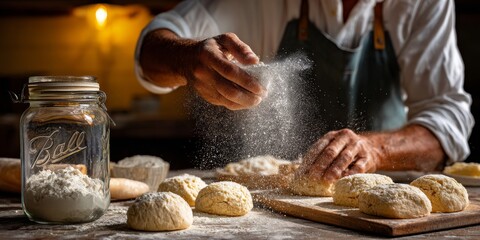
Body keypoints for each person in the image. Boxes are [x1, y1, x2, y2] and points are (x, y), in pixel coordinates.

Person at [134, 0, 474, 183]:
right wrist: (187, 58)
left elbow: (449, 118)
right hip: (280, 212)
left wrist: (375, 149)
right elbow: (153, 46)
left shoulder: (423, 4)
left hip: (381, 213)